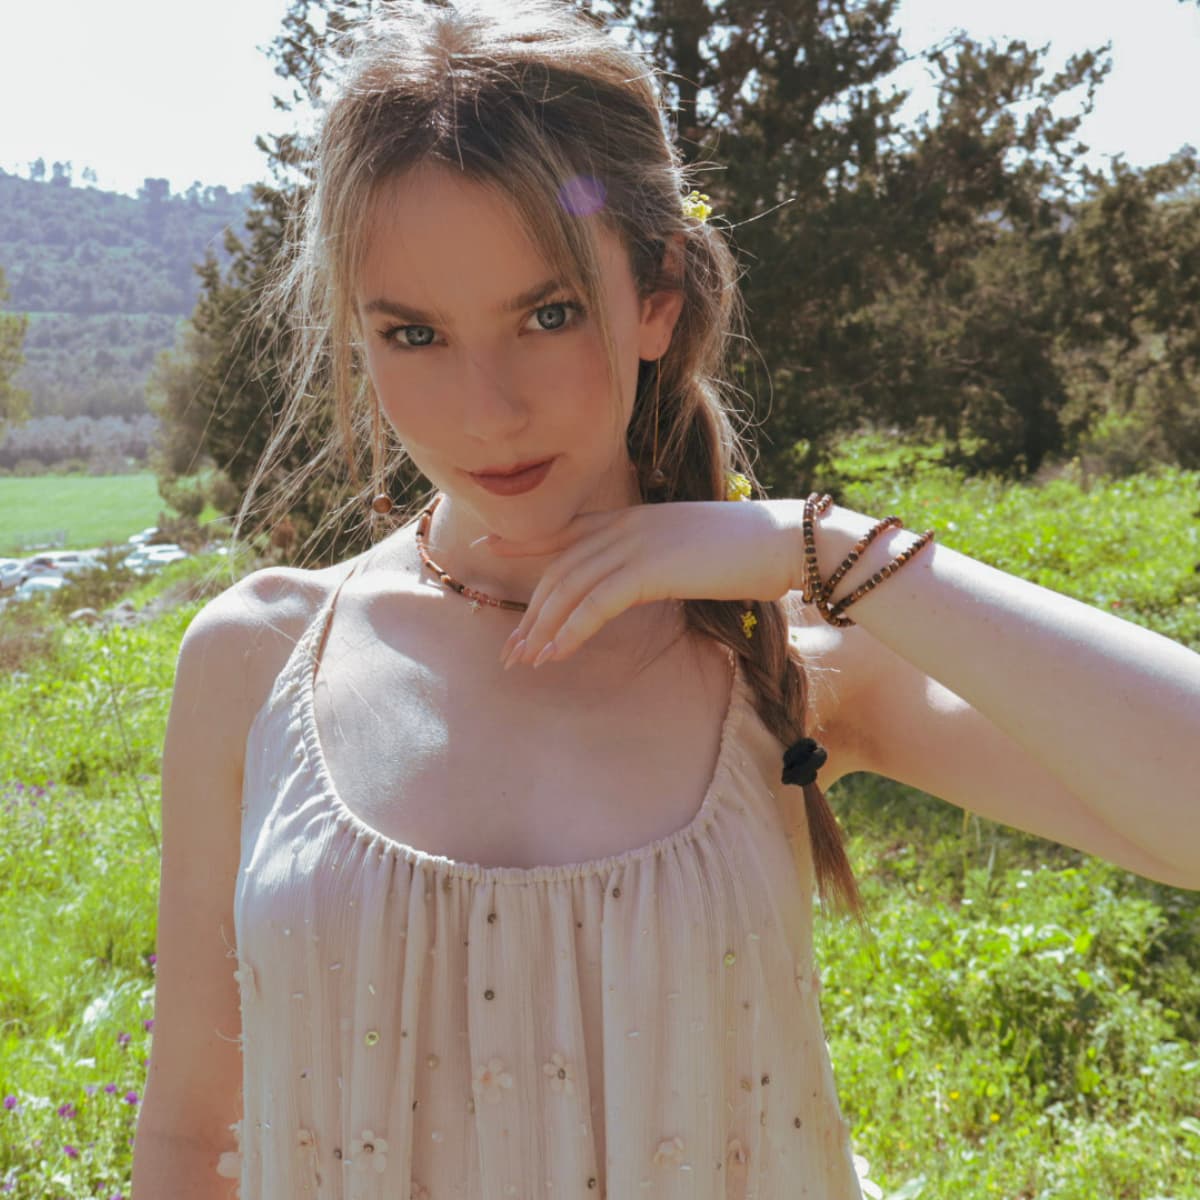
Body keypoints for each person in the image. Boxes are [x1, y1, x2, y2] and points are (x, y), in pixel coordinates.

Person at [129, 2, 1200, 1197]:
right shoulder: (262, 658)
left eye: (547, 314)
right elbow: (188, 1136)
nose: (487, 411)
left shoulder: (786, 647)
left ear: (658, 295)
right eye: (415, 333)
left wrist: (823, 546)